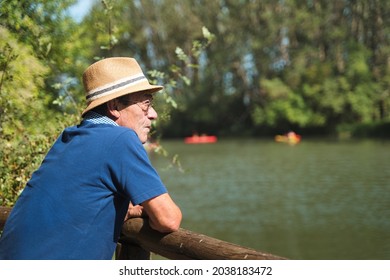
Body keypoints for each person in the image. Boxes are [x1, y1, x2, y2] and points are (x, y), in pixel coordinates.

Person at [0, 57, 182, 259]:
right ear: (114, 107)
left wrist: (127, 210)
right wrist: (142, 212)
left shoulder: (69, 138)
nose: (153, 114)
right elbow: (168, 219)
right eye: (146, 104)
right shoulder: (121, 138)